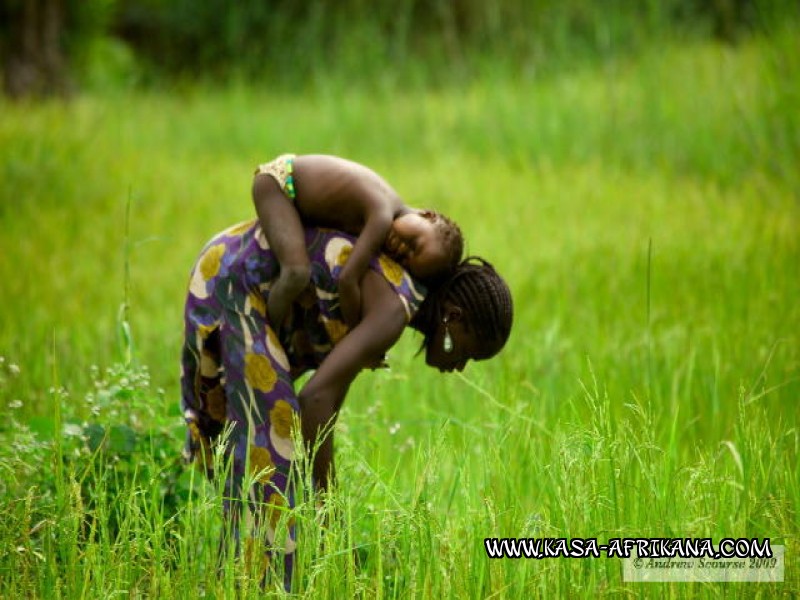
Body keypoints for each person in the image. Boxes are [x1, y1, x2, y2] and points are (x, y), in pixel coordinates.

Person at [180, 220, 512, 587]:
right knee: (275, 440)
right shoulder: (393, 310)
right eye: (468, 352)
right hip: (234, 281)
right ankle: (261, 585)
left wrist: (328, 509)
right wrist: (329, 510)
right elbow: (314, 400)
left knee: (262, 453)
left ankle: (239, 579)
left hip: (228, 265)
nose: (460, 366)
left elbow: (329, 400)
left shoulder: (396, 300)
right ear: (453, 317)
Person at [252, 153, 464, 330]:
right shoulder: (382, 216)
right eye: (414, 244)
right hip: (280, 185)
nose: (401, 248)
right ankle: (266, 336)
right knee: (296, 273)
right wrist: (354, 329)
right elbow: (347, 281)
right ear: (428, 215)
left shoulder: (389, 218)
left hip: (296, 200)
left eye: (405, 260)